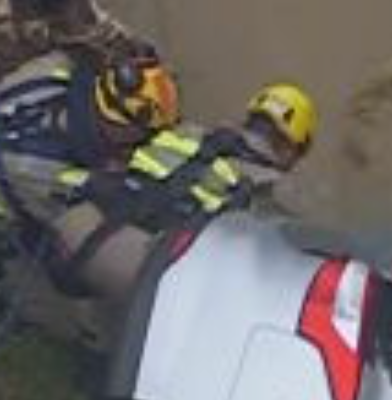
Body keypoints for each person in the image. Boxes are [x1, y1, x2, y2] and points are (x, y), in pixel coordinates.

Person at [38, 80, 317, 309]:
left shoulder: (186, 132)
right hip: (135, 276)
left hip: (72, 229)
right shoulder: (270, 190)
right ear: (292, 150)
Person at [0, 44, 179, 260]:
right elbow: (66, 218)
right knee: (45, 254)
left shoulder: (57, 67)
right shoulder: (48, 174)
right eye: (145, 134)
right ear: (121, 129)